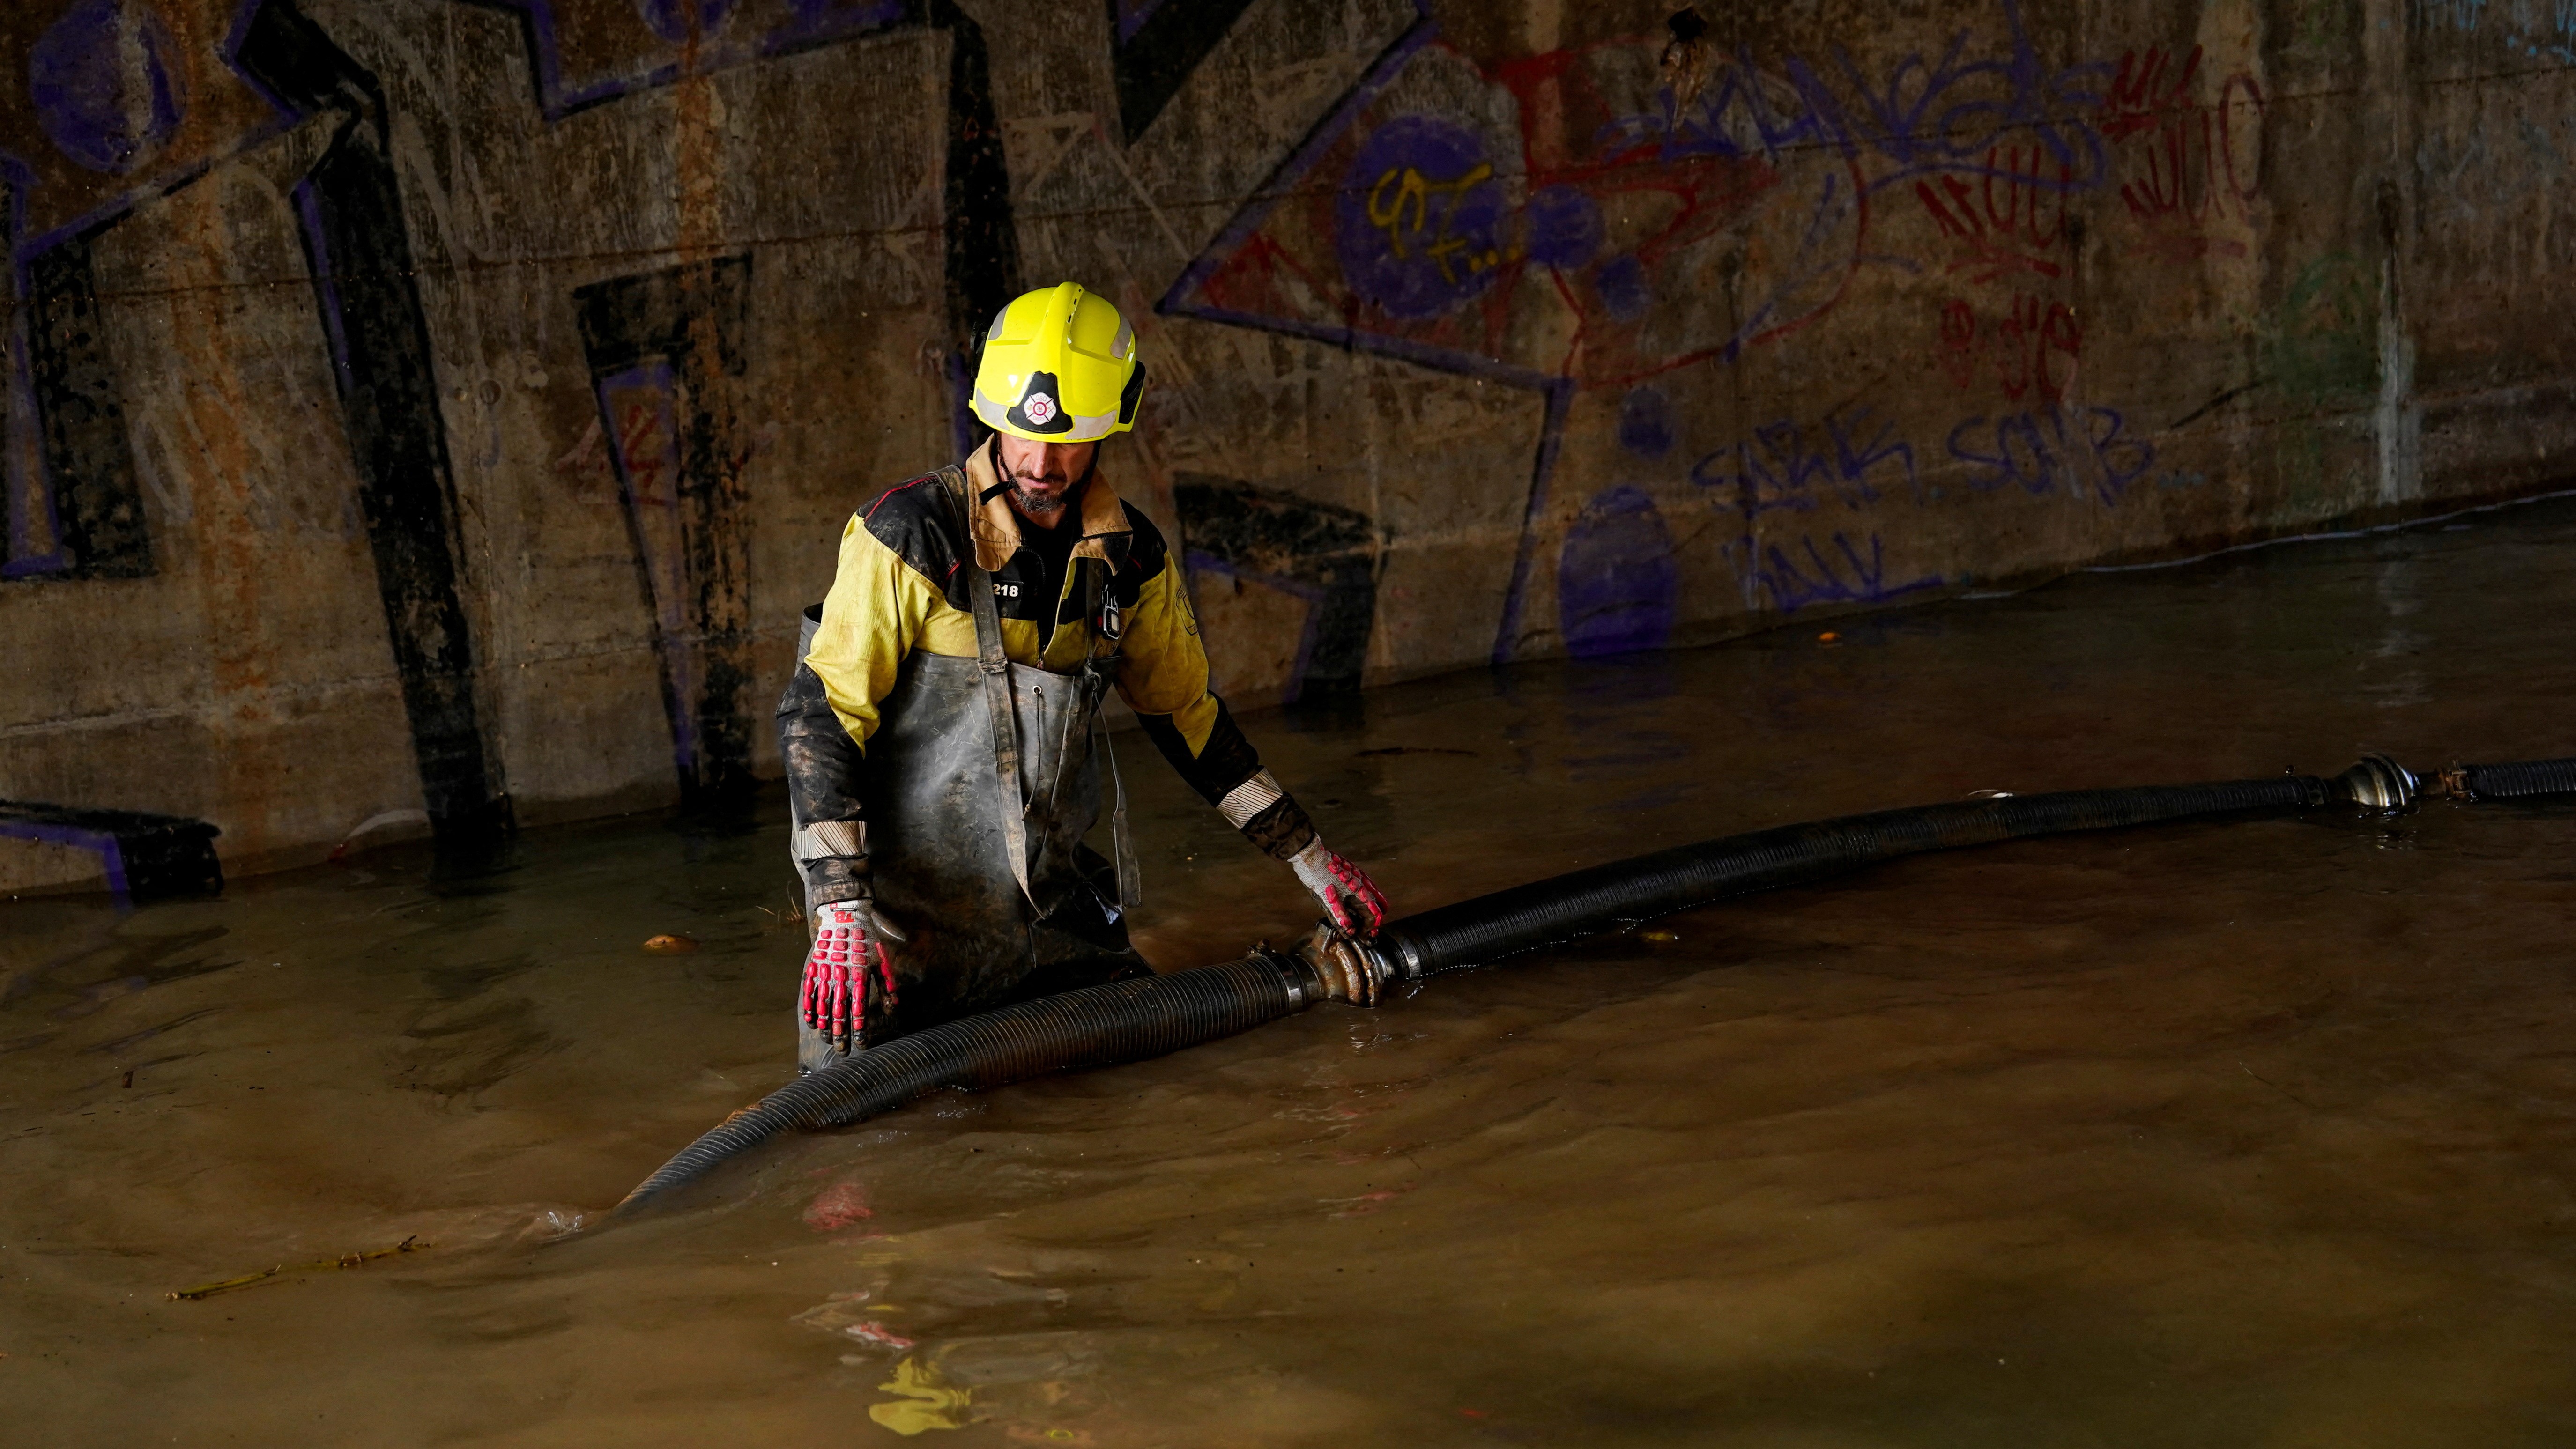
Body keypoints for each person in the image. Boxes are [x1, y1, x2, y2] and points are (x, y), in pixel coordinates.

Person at [776, 282, 1388, 1068]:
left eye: (1069, 441)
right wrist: (839, 912)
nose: (1040, 463)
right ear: (991, 415)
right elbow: (821, 717)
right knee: (848, 1154)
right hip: (890, 940)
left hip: (1056, 928)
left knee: (1130, 1105)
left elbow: (1189, 723)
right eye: (1020, 438)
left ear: (1108, 429)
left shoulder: (1130, 560)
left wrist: (1308, 854)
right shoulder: (911, 534)